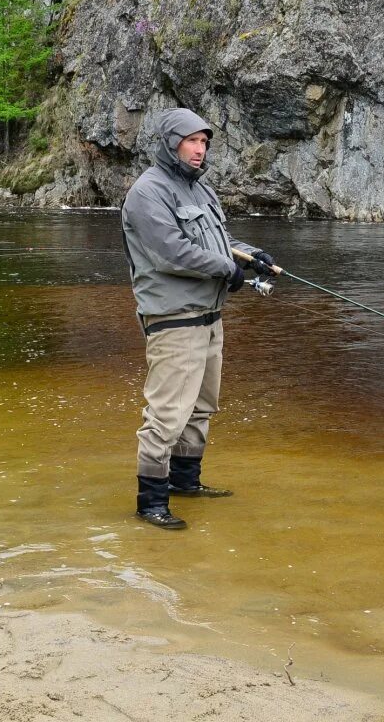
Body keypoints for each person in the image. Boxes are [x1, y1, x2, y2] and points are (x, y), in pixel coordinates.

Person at [121, 108, 276, 530]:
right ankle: (150, 502)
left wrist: (251, 255)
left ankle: (185, 484)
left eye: (204, 142)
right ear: (172, 143)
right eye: (192, 141)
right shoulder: (147, 192)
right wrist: (227, 269)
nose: (200, 149)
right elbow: (171, 251)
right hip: (173, 318)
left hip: (210, 316)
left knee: (202, 408)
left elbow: (219, 241)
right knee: (168, 414)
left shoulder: (200, 188)